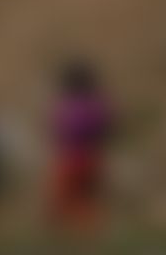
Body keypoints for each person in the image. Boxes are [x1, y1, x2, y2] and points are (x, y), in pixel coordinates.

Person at [48, 61, 115, 234]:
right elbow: (108, 128)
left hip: (71, 159)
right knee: (87, 202)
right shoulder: (98, 104)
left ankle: (77, 238)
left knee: (66, 205)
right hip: (94, 157)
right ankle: (89, 235)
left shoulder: (66, 106)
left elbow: (56, 129)